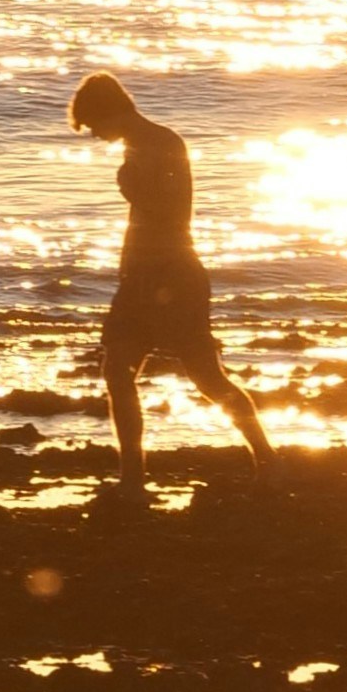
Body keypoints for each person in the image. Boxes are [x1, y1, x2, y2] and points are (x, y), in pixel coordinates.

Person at [68, 71, 272, 495]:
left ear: (110, 112)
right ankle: (132, 478)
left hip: (175, 275)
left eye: (93, 126)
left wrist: (131, 187)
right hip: (140, 278)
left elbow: (171, 212)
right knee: (117, 370)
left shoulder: (163, 144)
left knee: (207, 377)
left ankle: (267, 459)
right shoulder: (137, 149)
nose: (94, 137)